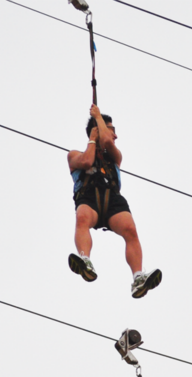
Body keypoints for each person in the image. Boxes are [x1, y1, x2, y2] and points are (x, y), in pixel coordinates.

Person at [67, 104, 162, 298]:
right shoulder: (74, 155)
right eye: (112, 130)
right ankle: (85, 260)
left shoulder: (115, 157)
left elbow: (108, 142)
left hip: (112, 199)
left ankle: (138, 277)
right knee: (82, 218)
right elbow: (86, 162)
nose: (116, 136)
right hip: (89, 196)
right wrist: (93, 136)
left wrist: (98, 117)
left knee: (130, 230)